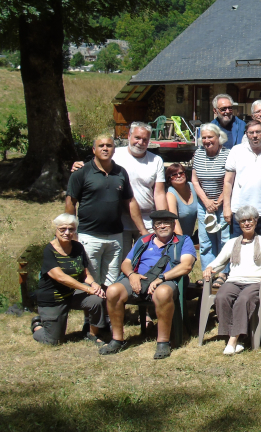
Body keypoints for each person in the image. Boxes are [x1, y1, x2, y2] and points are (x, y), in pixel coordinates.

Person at [99, 210, 196, 359]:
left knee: (162, 292)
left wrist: (162, 278)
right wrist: (132, 275)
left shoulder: (183, 241)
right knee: (112, 291)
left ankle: (163, 342)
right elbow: (125, 263)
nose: (162, 226)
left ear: (173, 224)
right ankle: (117, 339)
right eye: (158, 223)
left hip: (168, 280)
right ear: (154, 226)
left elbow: (186, 266)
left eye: (167, 223)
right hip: (139, 279)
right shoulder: (144, 240)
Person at [202, 205, 261, 354]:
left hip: (255, 282)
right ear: (239, 224)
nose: (247, 223)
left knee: (243, 300)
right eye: (243, 221)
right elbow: (218, 262)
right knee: (221, 297)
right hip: (234, 281)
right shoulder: (232, 243)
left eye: (250, 220)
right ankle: (236, 338)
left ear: (255, 221)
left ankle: (232, 340)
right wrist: (209, 268)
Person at [65, 134, 145, 289]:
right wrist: (71, 232)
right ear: (94, 150)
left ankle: (109, 313)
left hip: (115, 236)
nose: (105, 148)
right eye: (101, 146)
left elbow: (130, 201)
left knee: (112, 282)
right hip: (89, 235)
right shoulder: (81, 172)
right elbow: (70, 203)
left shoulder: (121, 173)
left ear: (114, 150)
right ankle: (94, 313)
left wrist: (142, 230)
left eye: (109, 145)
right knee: (91, 281)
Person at [31, 214, 106, 346]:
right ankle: (37, 325)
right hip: (53, 299)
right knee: (53, 341)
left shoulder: (78, 247)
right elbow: (60, 277)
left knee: (96, 299)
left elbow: (85, 273)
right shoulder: (48, 250)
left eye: (71, 229)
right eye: (62, 229)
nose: (67, 233)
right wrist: (87, 289)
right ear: (55, 229)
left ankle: (92, 333)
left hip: (72, 294)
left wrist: (94, 284)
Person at [110, 122, 167, 254]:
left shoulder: (156, 160)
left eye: (145, 139)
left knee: (147, 260)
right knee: (122, 262)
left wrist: (163, 219)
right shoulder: (115, 155)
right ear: (129, 135)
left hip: (148, 219)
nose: (140, 142)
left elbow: (159, 193)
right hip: (121, 220)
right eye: (137, 138)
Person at [224, 119, 261, 250]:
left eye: (258, 132)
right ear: (246, 134)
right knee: (237, 248)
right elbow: (228, 181)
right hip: (239, 209)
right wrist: (227, 207)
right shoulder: (236, 151)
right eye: (251, 132)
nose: (255, 135)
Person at [191, 123, 231, 271]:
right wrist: (206, 201)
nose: (207, 140)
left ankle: (223, 273)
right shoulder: (199, 153)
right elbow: (194, 180)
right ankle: (208, 272)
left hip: (224, 202)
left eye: (210, 137)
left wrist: (219, 201)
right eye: (204, 138)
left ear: (218, 137)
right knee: (205, 240)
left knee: (224, 239)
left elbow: (230, 181)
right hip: (204, 203)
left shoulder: (228, 154)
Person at [165, 163, 197, 237]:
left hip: (190, 236)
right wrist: (182, 240)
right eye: (174, 175)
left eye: (181, 173)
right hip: (176, 237)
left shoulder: (192, 186)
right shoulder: (170, 194)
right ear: (169, 179)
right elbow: (174, 219)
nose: (179, 176)